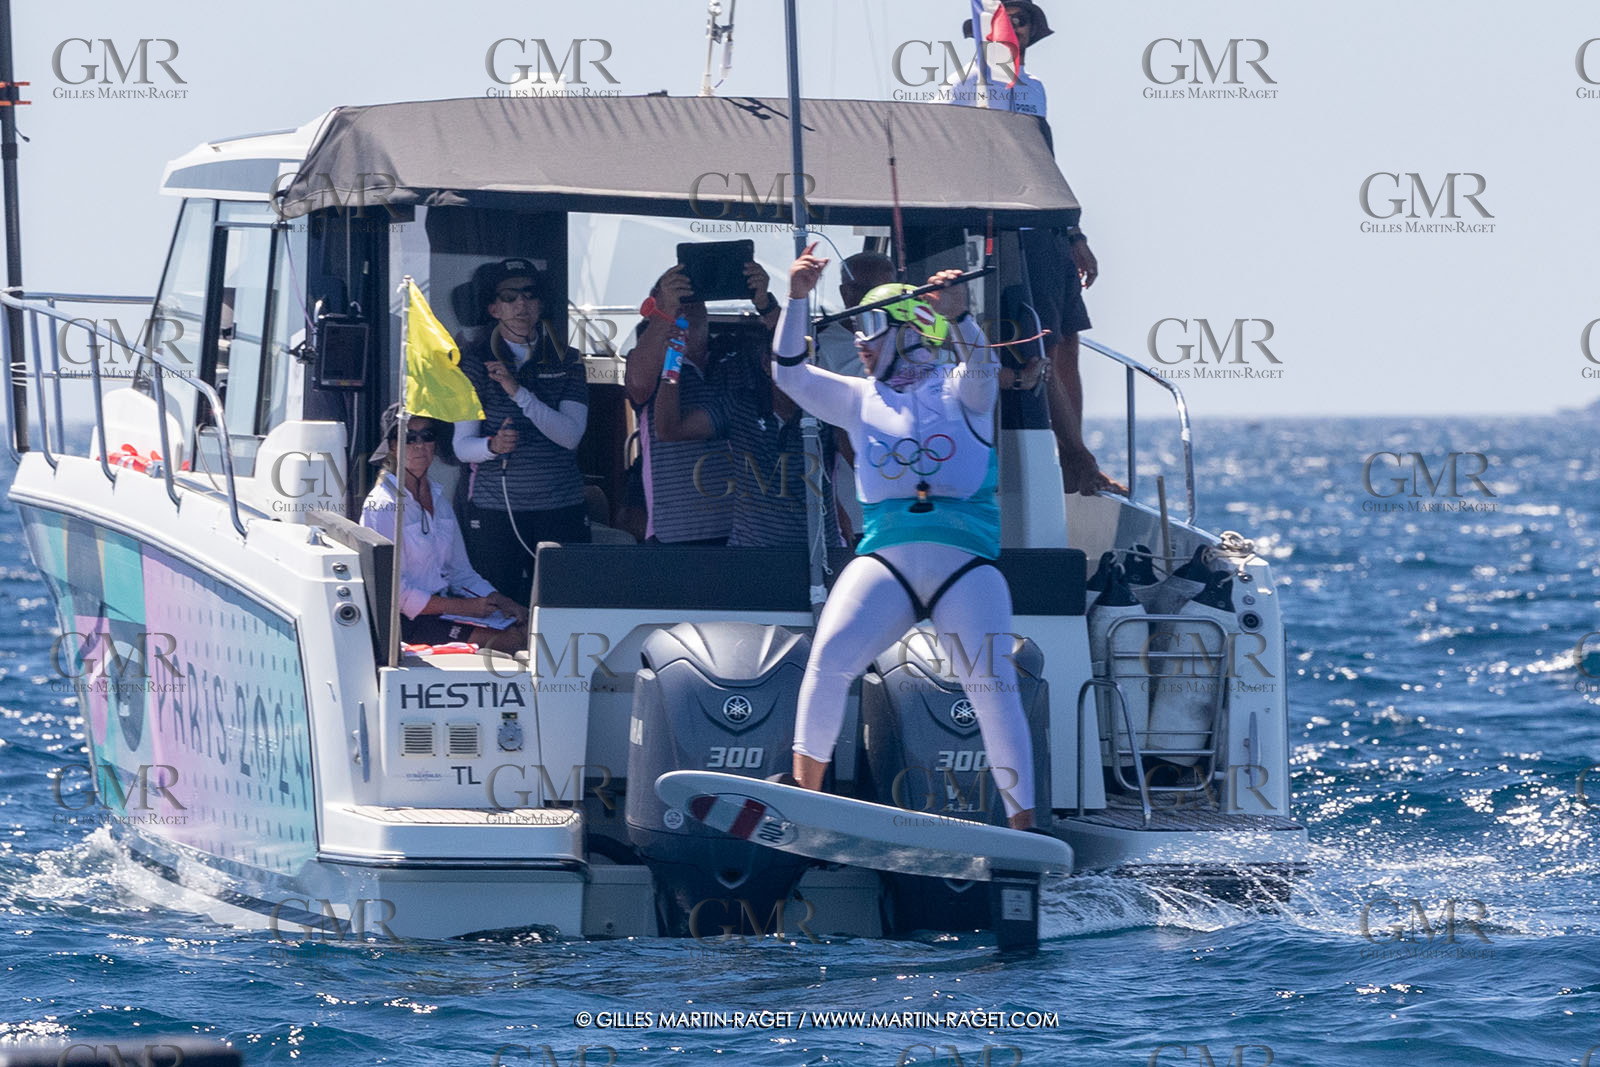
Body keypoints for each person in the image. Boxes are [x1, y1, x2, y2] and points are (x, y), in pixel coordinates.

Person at [771, 246, 1037, 830]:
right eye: (856, 327)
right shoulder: (857, 398)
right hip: (884, 561)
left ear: (914, 331)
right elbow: (788, 373)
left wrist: (962, 315)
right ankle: (803, 803)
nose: (860, 342)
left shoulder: (966, 389)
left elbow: (984, 365)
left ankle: (1025, 833)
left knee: (992, 688)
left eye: (870, 326)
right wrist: (795, 298)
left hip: (966, 567)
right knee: (829, 661)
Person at [945, 0, 1123, 497]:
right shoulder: (963, 87)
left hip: (1048, 232)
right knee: (1038, 345)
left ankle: (1075, 457)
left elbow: (1044, 167)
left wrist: (1074, 235)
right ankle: (1074, 460)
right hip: (1006, 237)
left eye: (1025, 21)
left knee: (1068, 342)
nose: (1017, 28)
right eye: (1011, 19)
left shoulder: (1034, 90)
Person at [454, 259, 590, 604]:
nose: (520, 304)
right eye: (509, 296)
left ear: (541, 303)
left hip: (562, 507)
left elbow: (571, 436)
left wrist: (517, 392)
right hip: (495, 512)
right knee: (500, 609)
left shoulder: (568, 359)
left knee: (565, 606)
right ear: (493, 308)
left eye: (529, 294)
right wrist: (493, 446)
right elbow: (461, 446)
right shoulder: (472, 361)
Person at [625, 256, 782, 545]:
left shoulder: (739, 358)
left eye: (693, 297)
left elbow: (796, 359)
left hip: (749, 533)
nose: (686, 306)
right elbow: (637, 383)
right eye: (675, 300)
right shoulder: (650, 361)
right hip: (678, 534)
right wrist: (667, 314)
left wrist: (766, 304)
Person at [362, 405, 528, 653]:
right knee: (511, 641)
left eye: (427, 436)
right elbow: (397, 593)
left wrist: (501, 601)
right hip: (407, 623)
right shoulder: (382, 504)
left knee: (529, 628)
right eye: (409, 437)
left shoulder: (439, 499)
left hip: (443, 612)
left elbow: (461, 573)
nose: (420, 445)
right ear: (393, 447)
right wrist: (464, 608)